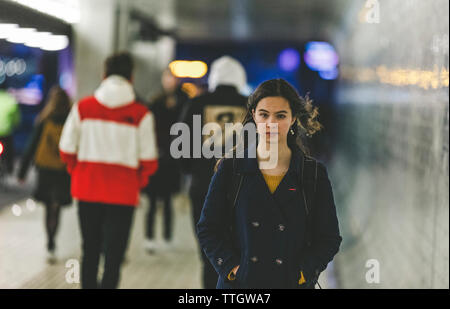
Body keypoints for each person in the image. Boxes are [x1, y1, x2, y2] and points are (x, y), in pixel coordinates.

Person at [196, 78, 342, 289]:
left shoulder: (313, 173)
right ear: (254, 115)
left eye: (280, 116)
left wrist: (303, 273)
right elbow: (208, 228)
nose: (271, 123)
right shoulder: (231, 169)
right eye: (264, 114)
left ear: (293, 119)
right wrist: (232, 268)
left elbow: (328, 237)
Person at [59, 52, 158, 289]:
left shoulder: (82, 108)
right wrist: (137, 182)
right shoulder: (141, 114)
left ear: (103, 75)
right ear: (131, 78)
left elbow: (65, 149)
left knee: (90, 249)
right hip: (123, 194)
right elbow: (149, 160)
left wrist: (79, 172)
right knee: (114, 256)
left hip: (87, 189)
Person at [179, 55, 248, 289]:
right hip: (242, 192)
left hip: (203, 188)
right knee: (239, 252)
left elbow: (180, 147)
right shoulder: (250, 106)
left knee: (209, 252)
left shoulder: (197, 104)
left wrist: (193, 171)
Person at [17, 86, 72, 263]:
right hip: (63, 170)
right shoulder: (71, 121)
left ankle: (50, 244)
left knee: (48, 207)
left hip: (46, 169)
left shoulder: (44, 119)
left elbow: (32, 146)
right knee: (56, 207)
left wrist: (22, 171)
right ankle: (53, 238)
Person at [143, 69, 189, 253]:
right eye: (167, 78)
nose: (169, 81)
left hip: (172, 158)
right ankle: (149, 237)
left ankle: (168, 236)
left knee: (169, 200)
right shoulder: (155, 100)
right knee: (152, 201)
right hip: (157, 155)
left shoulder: (183, 100)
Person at [0, 82, 21, 175]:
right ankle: (9, 168)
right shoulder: (11, 100)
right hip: (6, 132)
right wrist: (15, 125)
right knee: (9, 150)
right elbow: (17, 118)